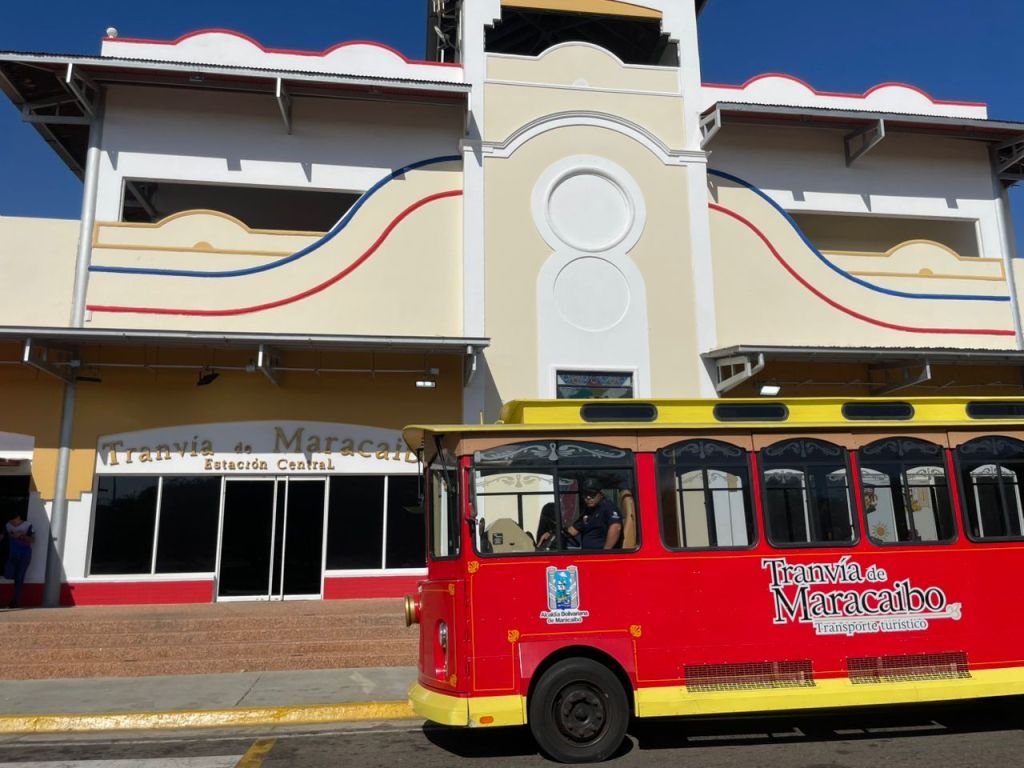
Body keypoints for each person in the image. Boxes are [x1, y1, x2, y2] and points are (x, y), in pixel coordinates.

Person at [566, 478, 622, 550]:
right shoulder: (588, 510)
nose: (588, 497)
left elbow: (616, 527)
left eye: (592, 494)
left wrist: (606, 551)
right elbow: (573, 530)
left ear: (601, 494)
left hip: (600, 553)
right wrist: (558, 535)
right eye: (586, 494)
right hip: (587, 552)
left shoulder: (608, 507)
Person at [4, 513, 34, 609]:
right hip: (12, 554)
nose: (13, 523)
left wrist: (22, 535)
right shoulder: (8, 525)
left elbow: (32, 540)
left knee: (19, 578)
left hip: (24, 555)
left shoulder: (28, 525)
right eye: (11, 521)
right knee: (8, 574)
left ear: (18, 517)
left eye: (14, 520)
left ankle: (15, 601)